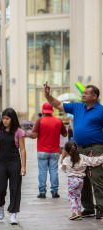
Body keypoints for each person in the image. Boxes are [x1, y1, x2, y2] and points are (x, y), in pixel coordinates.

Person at [44, 82, 103, 218]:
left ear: (94, 96)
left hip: (96, 148)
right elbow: (58, 105)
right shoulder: (77, 107)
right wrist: (48, 95)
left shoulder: (101, 110)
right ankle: (88, 208)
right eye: (83, 93)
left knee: (97, 178)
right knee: (82, 178)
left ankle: (101, 207)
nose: (83, 95)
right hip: (80, 149)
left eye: (86, 93)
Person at [0, 108, 26, 225]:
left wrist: (23, 166)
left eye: (7, 119)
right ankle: (1, 205)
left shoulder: (19, 131)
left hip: (14, 162)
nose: (5, 121)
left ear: (12, 119)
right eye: (3, 118)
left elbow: (23, 150)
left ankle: (13, 214)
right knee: (0, 188)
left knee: (15, 188)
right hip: (2, 163)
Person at [24, 102, 67, 198]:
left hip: (42, 151)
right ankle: (55, 192)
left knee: (42, 171)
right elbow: (65, 134)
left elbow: (34, 135)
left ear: (43, 111)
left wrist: (27, 134)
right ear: (52, 110)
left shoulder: (40, 120)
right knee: (54, 171)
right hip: (55, 151)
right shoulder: (58, 121)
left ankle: (42, 192)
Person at [61, 141, 103, 220]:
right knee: (77, 196)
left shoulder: (66, 160)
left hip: (72, 181)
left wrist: (63, 166)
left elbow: (63, 168)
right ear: (77, 148)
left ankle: (75, 212)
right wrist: (101, 157)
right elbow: (93, 161)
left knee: (71, 196)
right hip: (80, 180)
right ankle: (79, 213)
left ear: (66, 151)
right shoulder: (83, 157)